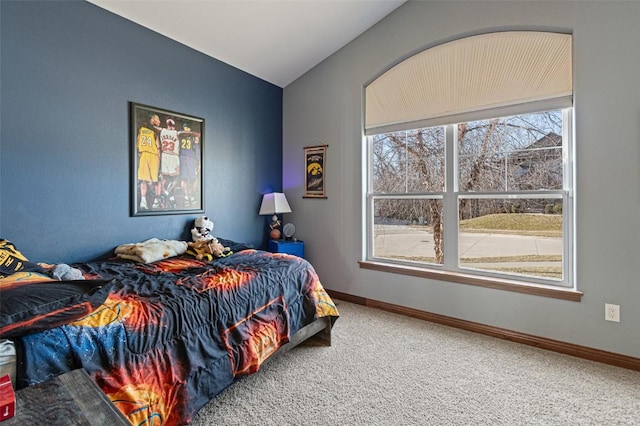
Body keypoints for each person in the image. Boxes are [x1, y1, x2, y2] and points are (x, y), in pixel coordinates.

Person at [136, 114, 161, 210]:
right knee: (155, 180)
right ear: (152, 119)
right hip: (153, 155)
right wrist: (159, 158)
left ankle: (143, 201)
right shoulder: (155, 131)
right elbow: (158, 146)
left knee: (143, 180)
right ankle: (155, 201)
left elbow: (137, 143)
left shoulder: (140, 129)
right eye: (157, 119)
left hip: (143, 154)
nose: (158, 121)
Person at [159, 118, 181, 208]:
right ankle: (166, 193)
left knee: (166, 179)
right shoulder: (176, 132)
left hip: (164, 155)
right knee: (175, 179)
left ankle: (169, 197)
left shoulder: (162, 130)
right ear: (173, 125)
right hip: (173, 156)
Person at [178, 123, 201, 207]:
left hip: (190, 158)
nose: (186, 130)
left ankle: (190, 196)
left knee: (193, 179)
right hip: (184, 157)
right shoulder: (180, 135)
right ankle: (186, 197)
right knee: (184, 178)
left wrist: (199, 162)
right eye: (185, 128)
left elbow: (197, 149)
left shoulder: (192, 137)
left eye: (187, 128)